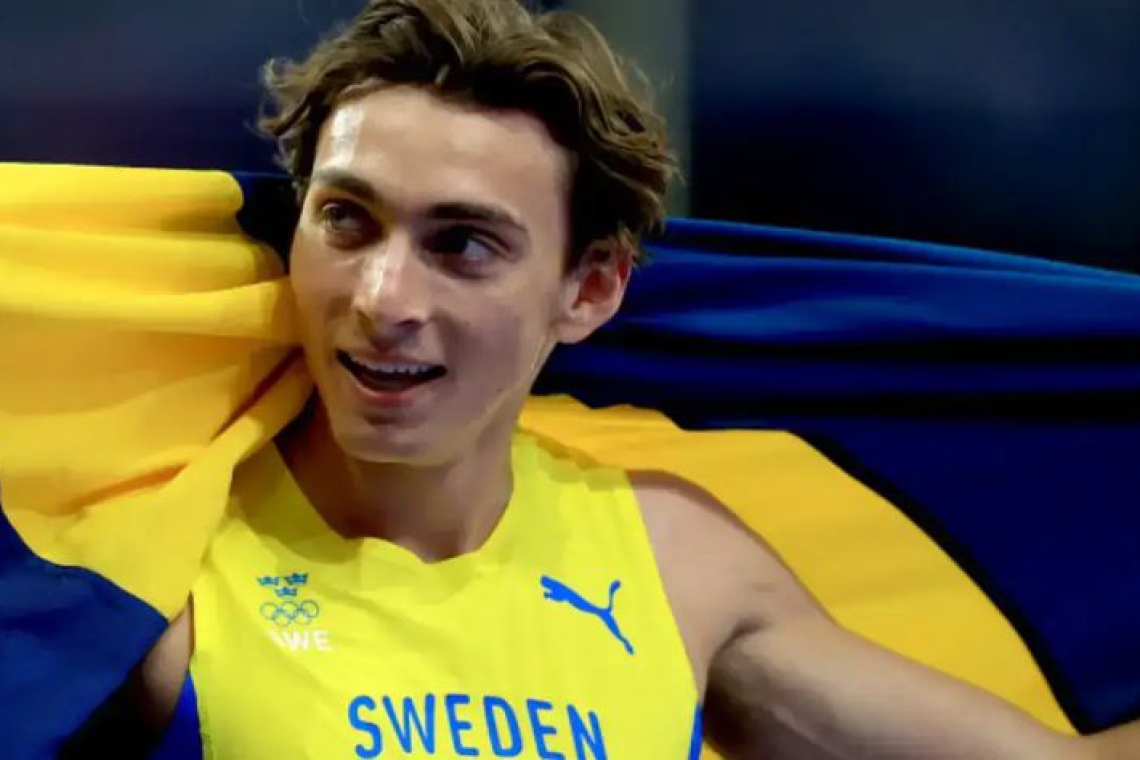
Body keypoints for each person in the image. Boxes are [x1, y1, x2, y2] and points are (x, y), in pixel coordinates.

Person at [68, 0, 1139, 757]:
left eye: (463, 244)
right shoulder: (146, 562)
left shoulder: (677, 563)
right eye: (348, 220)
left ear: (587, 290)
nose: (384, 297)